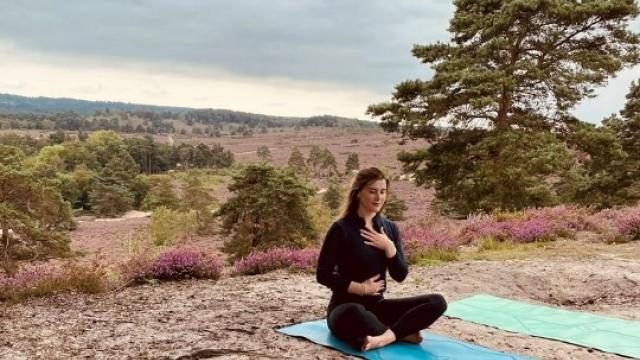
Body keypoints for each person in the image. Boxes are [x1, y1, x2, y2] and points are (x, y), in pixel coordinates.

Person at [316, 167, 447, 352]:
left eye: (383, 192)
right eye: (372, 191)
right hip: (345, 308)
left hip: (378, 307)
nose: (379, 197)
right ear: (358, 193)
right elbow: (323, 275)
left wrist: (389, 248)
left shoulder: (389, 228)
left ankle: (384, 338)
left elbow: (400, 275)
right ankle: (401, 333)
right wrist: (361, 289)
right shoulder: (341, 229)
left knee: (437, 302)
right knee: (356, 313)